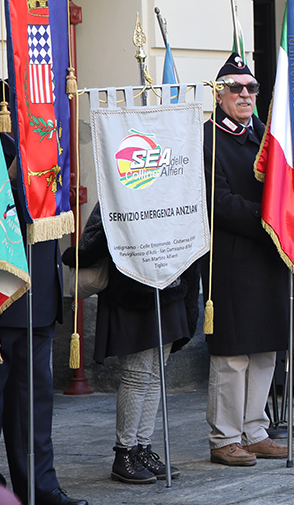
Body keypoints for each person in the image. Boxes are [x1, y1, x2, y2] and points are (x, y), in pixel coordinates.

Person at [0, 125, 88, 505]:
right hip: (0, 296)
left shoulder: (48, 141)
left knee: (35, 405)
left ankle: (39, 485)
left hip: (40, 294)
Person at [202, 54, 290, 465]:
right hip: (232, 259)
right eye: (235, 88)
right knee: (233, 353)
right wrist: (270, 218)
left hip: (269, 254)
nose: (244, 95)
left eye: (251, 88)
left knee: (266, 348)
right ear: (219, 95)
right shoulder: (209, 138)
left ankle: (255, 430)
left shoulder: (267, 138)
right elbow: (218, 202)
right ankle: (224, 437)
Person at [69, 204, 198, 482]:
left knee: (156, 375)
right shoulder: (121, 174)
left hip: (170, 285)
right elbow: (97, 235)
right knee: (139, 375)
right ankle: (124, 453)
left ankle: (142, 447)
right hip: (132, 286)